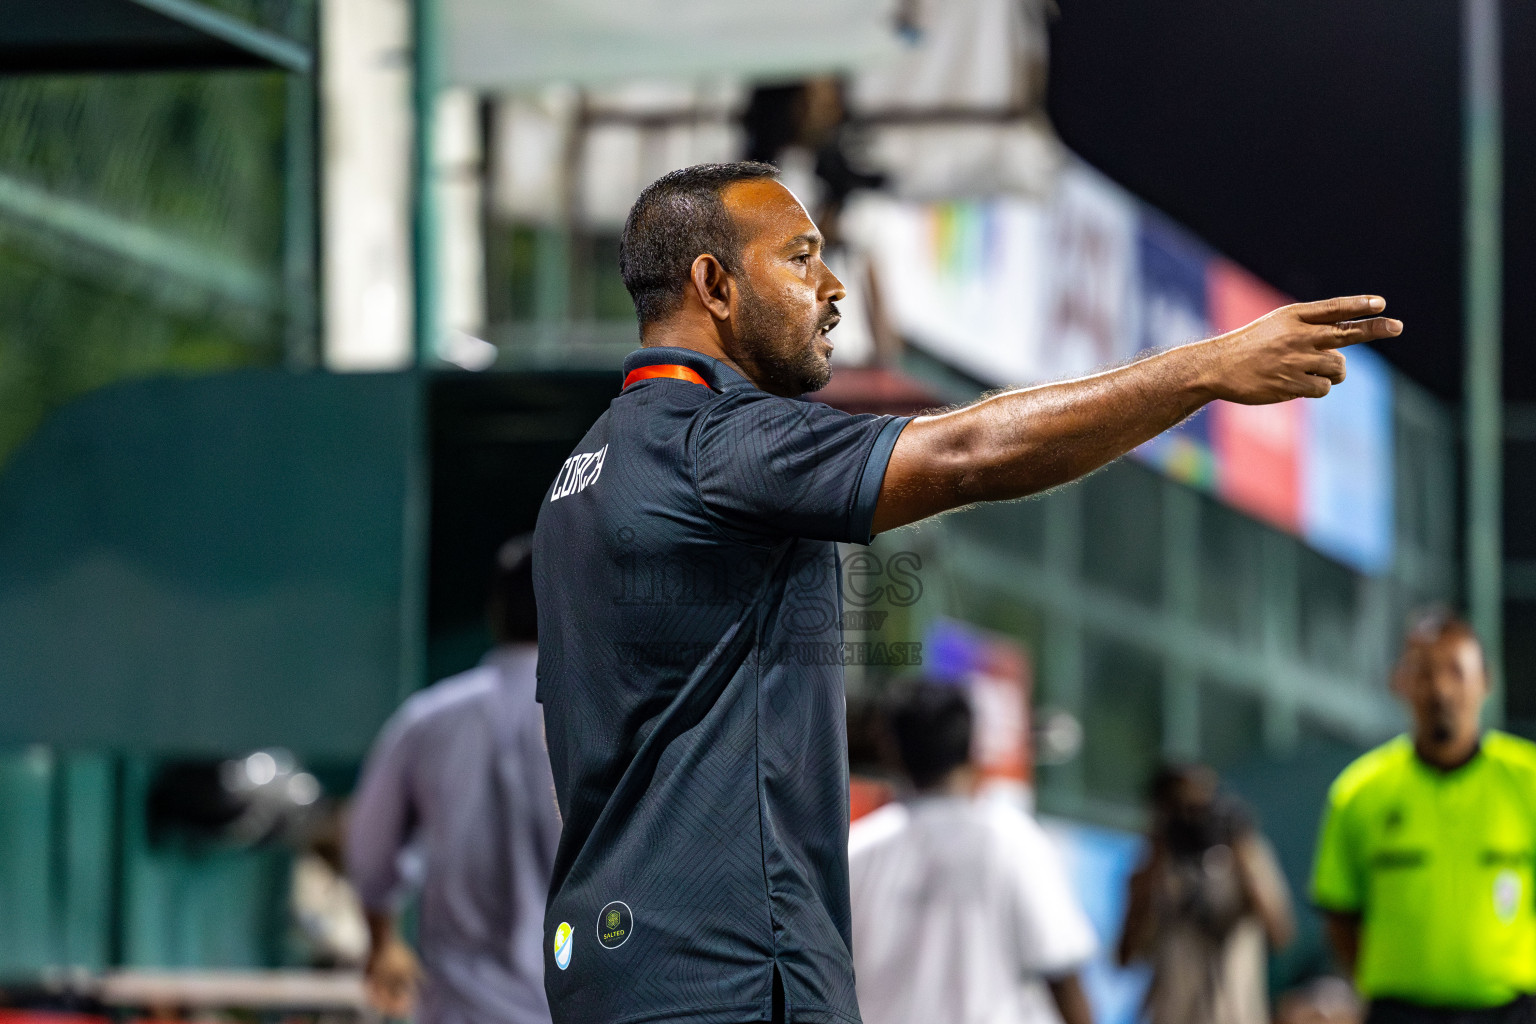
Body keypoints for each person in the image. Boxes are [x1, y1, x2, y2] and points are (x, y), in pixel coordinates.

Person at [532, 159, 1399, 1024]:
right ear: (714, 285)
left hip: (608, 967)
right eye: (800, 258)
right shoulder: (718, 441)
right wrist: (1204, 370)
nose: (832, 288)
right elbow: (965, 452)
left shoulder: (580, 481)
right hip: (723, 978)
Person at [347, 537, 561, 1024]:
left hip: (461, 1008)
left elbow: (370, 854)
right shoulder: (610, 720)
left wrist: (382, 941)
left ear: (495, 613)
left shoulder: (428, 719)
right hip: (577, 1004)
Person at [1312, 610, 1536, 1024]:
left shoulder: (1529, 782)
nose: (1441, 690)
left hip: (1509, 1012)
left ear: (1485, 681)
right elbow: (1340, 916)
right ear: (1399, 683)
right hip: (1399, 1013)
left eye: (1456, 671)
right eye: (1425, 672)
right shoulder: (1358, 792)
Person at [848, 683, 1097, 1024]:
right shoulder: (1010, 839)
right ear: (973, 749)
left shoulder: (857, 852)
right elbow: (1062, 976)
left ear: (889, 749)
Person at [1118, 764, 1295, 1024]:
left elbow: (1280, 934)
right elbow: (1124, 956)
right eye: (1178, 809)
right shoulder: (1153, 866)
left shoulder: (1241, 856)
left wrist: (1243, 855)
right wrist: (1154, 864)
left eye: (1199, 808)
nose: (1190, 820)